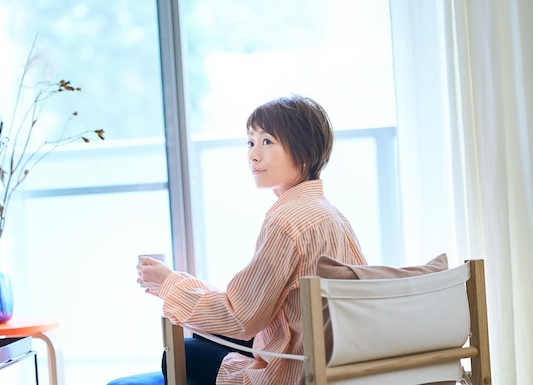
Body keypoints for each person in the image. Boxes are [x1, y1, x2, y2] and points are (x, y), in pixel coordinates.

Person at [137, 94, 367, 385]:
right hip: (334, 359)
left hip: (298, 368)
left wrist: (168, 285)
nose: (253, 155)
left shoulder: (285, 222)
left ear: (305, 153)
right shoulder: (330, 213)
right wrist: (173, 283)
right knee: (200, 333)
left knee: (184, 351)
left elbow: (241, 318)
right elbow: (249, 305)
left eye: (267, 142)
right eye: (251, 142)